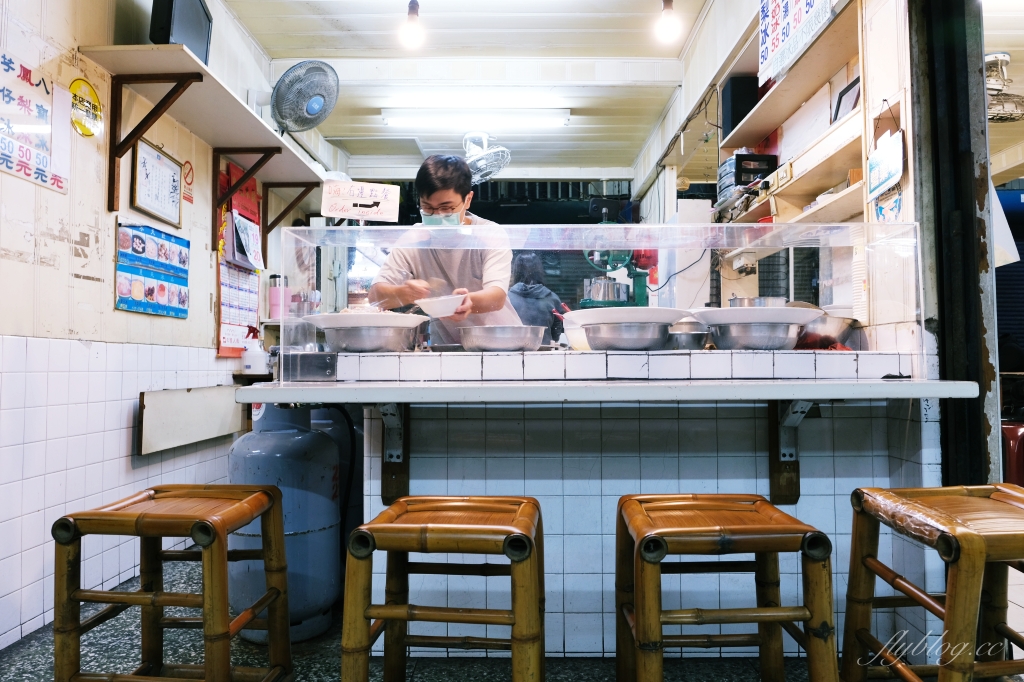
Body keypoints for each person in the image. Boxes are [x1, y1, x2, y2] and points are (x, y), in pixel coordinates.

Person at [368, 155, 521, 344]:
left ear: (468, 200)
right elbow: (375, 296)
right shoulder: (413, 239)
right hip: (447, 347)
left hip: (499, 342)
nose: (437, 215)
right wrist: (403, 293)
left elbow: (496, 297)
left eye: (446, 208)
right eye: (427, 208)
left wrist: (467, 302)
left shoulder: (489, 234)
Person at [507, 253, 563, 344]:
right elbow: (555, 336)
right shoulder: (553, 299)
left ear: (515, 271)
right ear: (539, 270)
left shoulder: (506, 299)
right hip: (545, 354)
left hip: (512, 354)